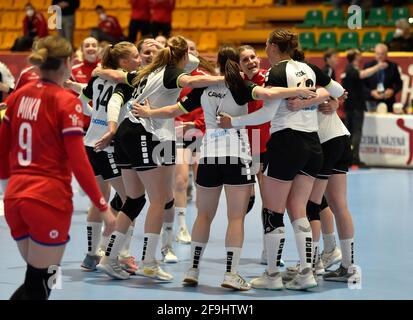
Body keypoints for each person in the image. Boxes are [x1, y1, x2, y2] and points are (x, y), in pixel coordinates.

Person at [131, 45, 316, 290]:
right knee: (235, 217)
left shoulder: (204, 87)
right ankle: (231, 273)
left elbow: (175, 110)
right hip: (236, 156)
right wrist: (300, 90)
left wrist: (148, 111)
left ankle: (193, 269)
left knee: (204, 215)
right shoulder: (242, 87)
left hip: (208, 157)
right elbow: (270, 96)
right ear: (236, 65)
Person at [219, 28, 345, 291]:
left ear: (274, 47)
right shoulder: (309, 68)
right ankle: (307, 273)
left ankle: (273, 275)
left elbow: (267, 115)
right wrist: (323, 100)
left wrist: (234, 122)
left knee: (272, 211)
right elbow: (338, 89)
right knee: (299, 209)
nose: (265, 50)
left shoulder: (278, 71)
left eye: (266, 45)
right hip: (313, 146)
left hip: (287, 142)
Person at [95, 36, 224, 281]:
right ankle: (150, 262)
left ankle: (109, 257)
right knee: (158, 200)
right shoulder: (170, 72)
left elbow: (191, 65)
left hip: (125, 133)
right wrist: (225, 78)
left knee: (133, 200)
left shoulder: (149, 71)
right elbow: (192, 79)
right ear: (183, 56)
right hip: (147, 134)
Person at [0, 35, 115, 300]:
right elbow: (78, 161)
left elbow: (2, 149)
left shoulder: (18, 97)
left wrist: (8, 188)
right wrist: (103, 206)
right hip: (48, 201)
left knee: (35, 278)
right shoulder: (66, 101)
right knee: (44, 283)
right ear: (66, 63)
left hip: (16, 199)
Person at [74, 42, 141, 275]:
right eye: (135, 56)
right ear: (123, 62)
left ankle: (91, 255)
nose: (140, 59)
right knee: (130, 200)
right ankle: (121, 255)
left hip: (89, 143)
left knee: (99, 199)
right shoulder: (127, 81)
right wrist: (109, 126)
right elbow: (114, 102)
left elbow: (82, 100)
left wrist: (95, 117)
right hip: (108, 146)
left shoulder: (98, 78)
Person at [285, 89, 361, 284]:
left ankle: (310, 264)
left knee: (312, 204)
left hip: (325, 141)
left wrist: (335, 100)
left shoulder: (296, 79)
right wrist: (336, 100)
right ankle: (348, 267)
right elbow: (340, 90)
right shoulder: (314, 80)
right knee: (338, 205)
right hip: (341, 138)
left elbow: (339, 91)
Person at [343, 49, 388, 167]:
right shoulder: (351, 69)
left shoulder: (350, 69)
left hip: (351, 106)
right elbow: (363, 74)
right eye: (358, 55)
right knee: (355, 132)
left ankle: (350, 157)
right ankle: (354, 159)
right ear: (355, 57)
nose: (361, 56)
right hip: (355, 106)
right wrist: (378, 66)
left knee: (351, 132)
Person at [363, 43, 403, 113]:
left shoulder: (393, 66)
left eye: (382, 54)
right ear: (374, 54)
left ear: (387, 54)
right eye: (378, 53)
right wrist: (371, 92)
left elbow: (399, 83)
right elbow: (362, 85)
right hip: (371, 101)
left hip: (388, 101)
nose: (380, 56)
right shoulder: (368, 66)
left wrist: (392, 90)